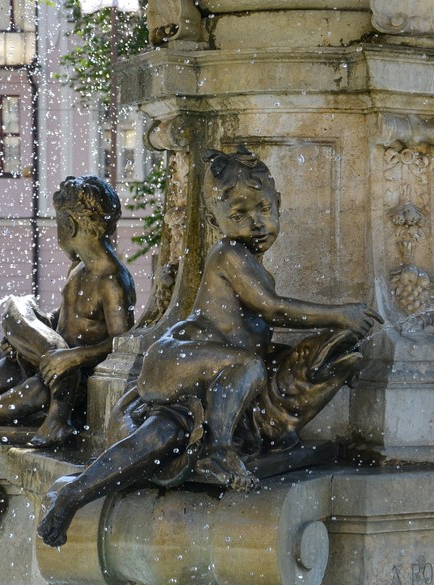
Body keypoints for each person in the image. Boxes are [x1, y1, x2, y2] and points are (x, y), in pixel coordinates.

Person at [37, 146, 381, 547]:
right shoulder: (229, 254)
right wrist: (339, 315)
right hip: (176, 357)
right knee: (248, 366)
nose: (255, 223)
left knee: (162, 438)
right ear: (216, 221)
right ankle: (220, 450)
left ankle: (72, 494)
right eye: (238, 215)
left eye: (263, 209)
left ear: (279, 204)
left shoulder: (252, 262)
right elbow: (272, 309)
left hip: (196, 371)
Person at [0, 176, 136, 448]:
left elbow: (123, 344)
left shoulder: (111, 278)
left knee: (36, 392)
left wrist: (74, 357)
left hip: (76, 375)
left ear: (70, 225)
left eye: (58, 224)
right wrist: (25, 339)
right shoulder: (78, 267)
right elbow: (66, 317)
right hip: (46, 358)